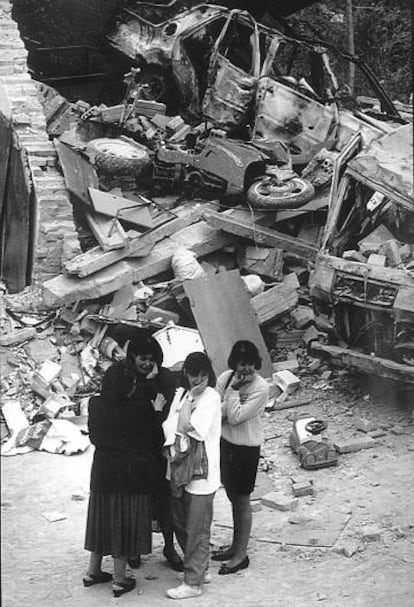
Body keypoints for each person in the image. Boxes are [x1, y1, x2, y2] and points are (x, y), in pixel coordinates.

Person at [108, 326, 183, 572]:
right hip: (131, 453)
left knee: (165, 503)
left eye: (151, 359)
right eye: (142, 358)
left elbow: (166, 413)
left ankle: (169, 548)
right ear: (133, 357)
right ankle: (134, 549)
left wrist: (150, 389)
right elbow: (125, 414)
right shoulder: (121, 377)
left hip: (157, 451)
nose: (147, 363)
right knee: (136, 505)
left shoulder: (165, 378)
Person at [83, 359, 155, 598]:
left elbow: (95, 437)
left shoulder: (95, 404)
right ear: (127, 384)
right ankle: (119, 579)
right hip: (128, 475)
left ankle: (93, 572)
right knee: (122, 524)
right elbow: (151, 438)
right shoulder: (138, 408)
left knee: (101, 522)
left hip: (102, 473)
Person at [162, 352, 221, 600]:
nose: (196, 379)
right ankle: (198, 567)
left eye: (201, 374)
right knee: (180, 522)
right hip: (179, 466)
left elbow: (187, 427)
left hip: (200, 471)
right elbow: (170, 423)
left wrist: (188, 402)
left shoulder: (210, 397)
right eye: (192, 373)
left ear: (208, 374)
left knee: (197, 528)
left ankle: (193, 582)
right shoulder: (185, 393)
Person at [212, 340, 269, 574]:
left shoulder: (260, 388)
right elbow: (214, 411)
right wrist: (228, 403)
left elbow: (235, 417)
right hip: (226, 444)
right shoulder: (225, 377)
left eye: (249, 364)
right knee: (233, 496)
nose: (245, 369)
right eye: (241, 363)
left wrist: (233, 394)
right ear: (234, 363)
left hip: (246, 448)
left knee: (243, 499)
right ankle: (235, 546)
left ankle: (241, 554)